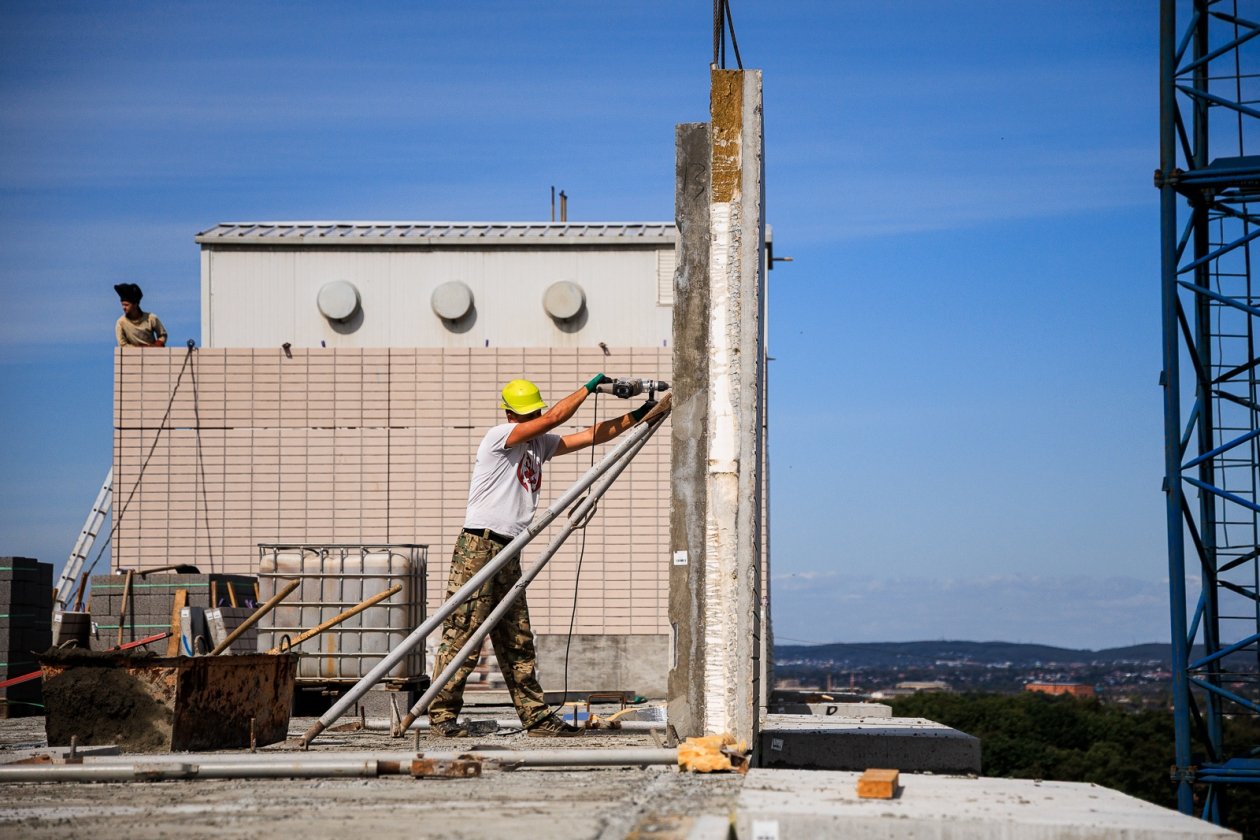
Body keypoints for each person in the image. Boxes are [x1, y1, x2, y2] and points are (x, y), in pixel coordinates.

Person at [428, 374, 667, 738]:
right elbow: (557, 418)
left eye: (532, 415)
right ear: (511, 415)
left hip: (508, 547)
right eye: (525, 416)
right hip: (478, 546)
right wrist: (589, 388)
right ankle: (442, 716)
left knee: (516, 637)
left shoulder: (539, 444)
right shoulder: (498, 437)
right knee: (464, 632)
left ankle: (536, 718)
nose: (530, 421)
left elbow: (591, 435)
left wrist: (639, 414)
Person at [114, 283, 167, 347]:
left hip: (153, 353)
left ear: (135, 305)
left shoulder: (151, 318)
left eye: (126, 305)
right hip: (133, 356)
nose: (124, 308)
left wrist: (156, 346)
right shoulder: (121, 322)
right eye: (122, 305)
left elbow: (163, 335)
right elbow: (122, 344)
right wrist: (139, 349)